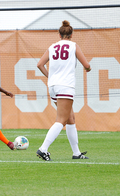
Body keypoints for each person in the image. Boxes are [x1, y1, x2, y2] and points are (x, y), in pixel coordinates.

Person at [36, 20, 91, 161]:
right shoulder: (73, 46)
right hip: (65, 86)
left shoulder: (52, 47)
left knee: (70, 118)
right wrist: (88, 68)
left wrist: (50, 76)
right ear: (71, 35)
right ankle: (43, 149)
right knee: (61, 120)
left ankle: (76, 153)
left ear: (59, 34)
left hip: (53, 86)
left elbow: (40, 64)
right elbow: (86, 65)